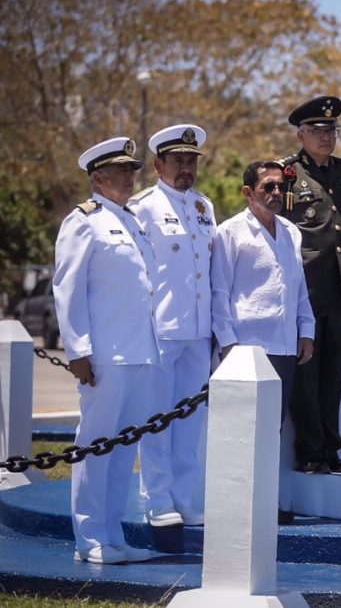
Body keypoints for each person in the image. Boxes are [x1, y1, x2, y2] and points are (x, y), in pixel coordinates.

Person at [53, 137, 157, 564]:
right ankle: (90, 539)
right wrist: (78, 350)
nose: (132, 177)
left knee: (122, 451)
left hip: (138, 352)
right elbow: (68, 288)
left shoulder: (130, 221)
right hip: (105, 356)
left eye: (134, 170)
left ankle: (113, 536)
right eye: (123, 171)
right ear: (98, 177)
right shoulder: (83, 221)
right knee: (95, 449)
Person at [210, 161, 315, 523]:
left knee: (275, 429)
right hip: (246, 348)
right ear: (247, 193)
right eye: (266, 187)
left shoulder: (290, 231)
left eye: (278, 187)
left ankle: (266, 501)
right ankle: (239, 507)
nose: (275, 194)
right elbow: (219, 292)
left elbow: (298, 287)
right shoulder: (230, 232)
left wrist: (307, 329)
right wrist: (227, 344)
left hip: (284, 346)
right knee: (243, 431)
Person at [129, 123, 215, 528]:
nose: (186, 168)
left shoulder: (204, 206)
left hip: (198, 331)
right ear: (158, 164)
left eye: (191, 160)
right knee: (158, 420)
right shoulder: (142, 206)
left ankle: (184, 498)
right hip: (161, 330)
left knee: (189, 423)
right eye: (178, 160)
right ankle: (157, 500)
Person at [280, 96, 341, 475]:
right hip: (307, 292)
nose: (325, 137)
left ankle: (332, 449)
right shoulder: (285, 175)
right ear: (301, 134)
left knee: (333, 375)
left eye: (331, 130)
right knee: (307, 376)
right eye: (317, 131)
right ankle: (310, 452)